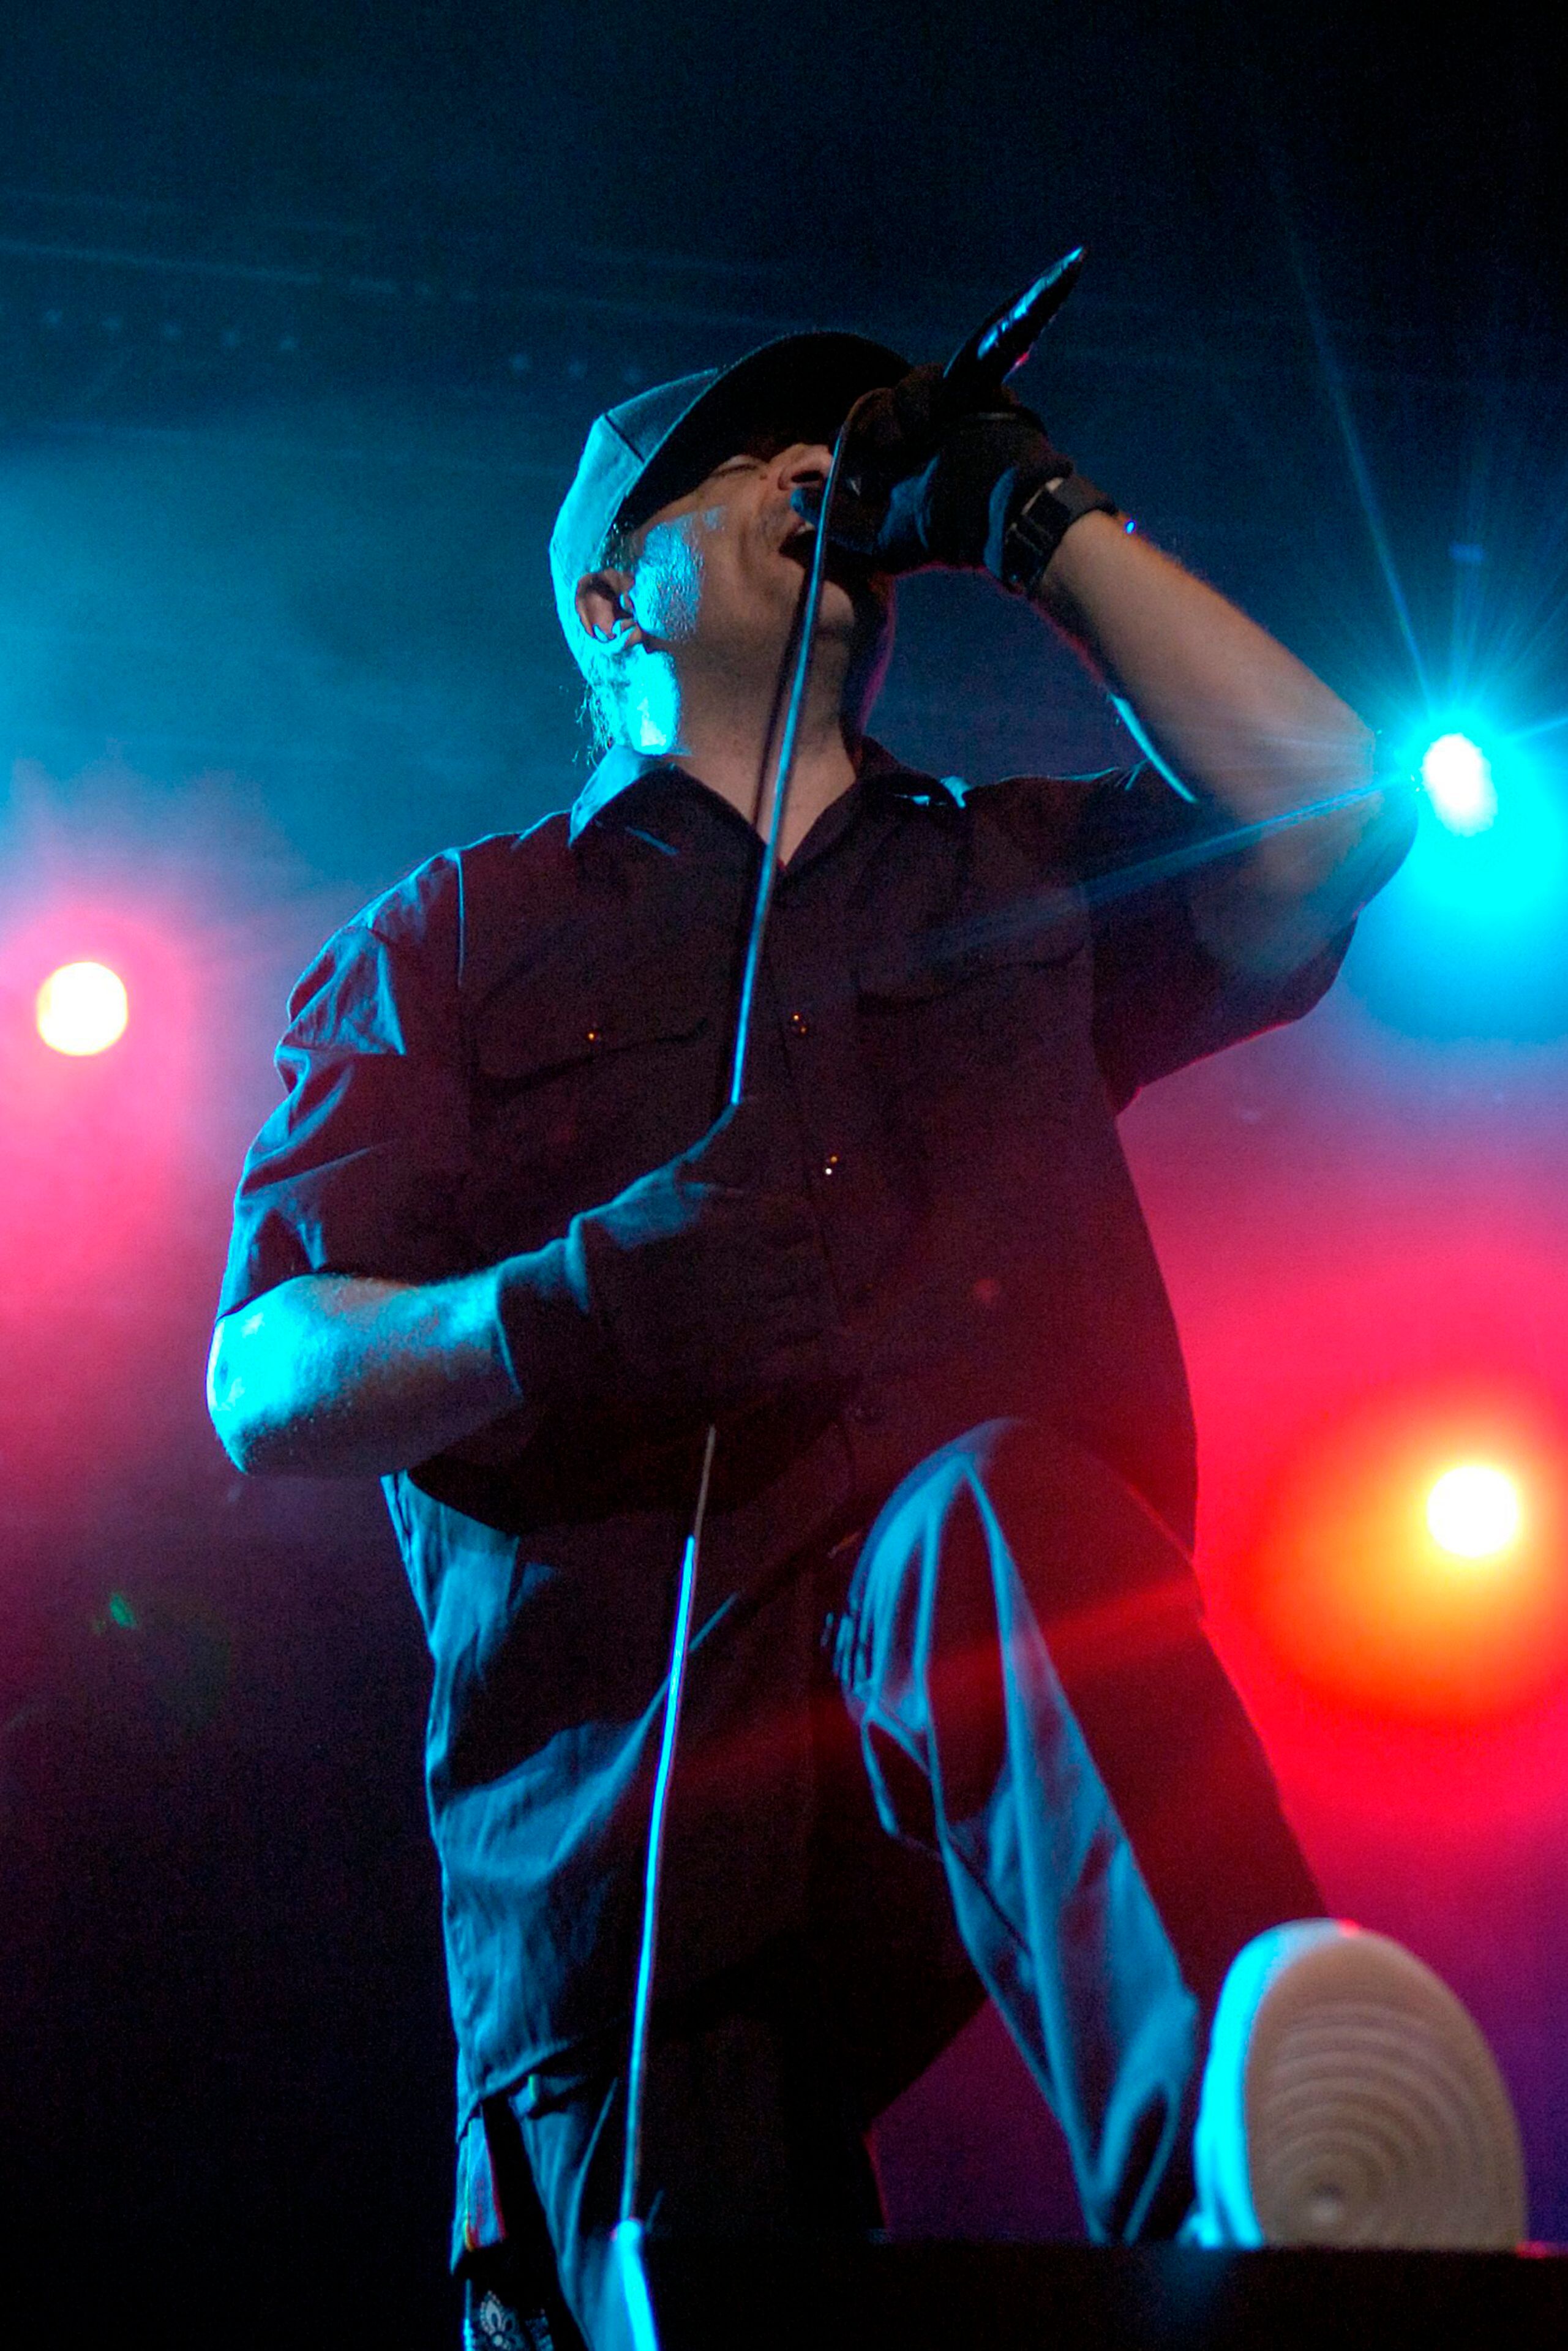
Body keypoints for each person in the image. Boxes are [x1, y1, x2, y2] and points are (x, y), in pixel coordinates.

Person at [208, 328, 1525, 2349]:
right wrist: (565, 1301)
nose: (810, 468)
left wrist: (1042, 522)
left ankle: (1273, 2194)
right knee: (679, 2275)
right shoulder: (452, 938)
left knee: (991, 1517)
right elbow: (267, 1377)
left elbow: (1327, 821)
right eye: (741, 459)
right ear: (609, 601)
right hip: (634, 1839)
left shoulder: (1014, 863)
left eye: (827, 447)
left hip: (984, 1707)